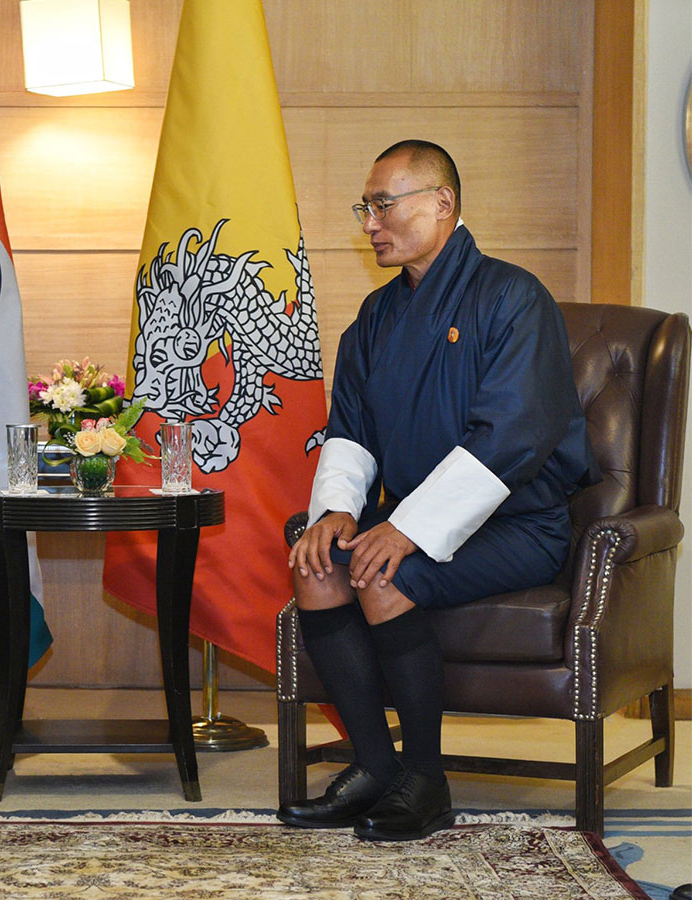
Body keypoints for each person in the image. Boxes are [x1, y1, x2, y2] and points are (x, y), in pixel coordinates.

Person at [281, 141, 599, 841]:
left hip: (519, 525)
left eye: (384, 204)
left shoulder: (514, 298)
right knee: (316, 567)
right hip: (411, 516)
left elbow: (512, 435)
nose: (371, 222)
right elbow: (352, 429)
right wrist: (337, 511)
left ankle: (425, 782)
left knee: (383, 573)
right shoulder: (374, 317)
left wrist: (408, 528)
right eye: (366, 207)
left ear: (441, 203)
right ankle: (372, 767)